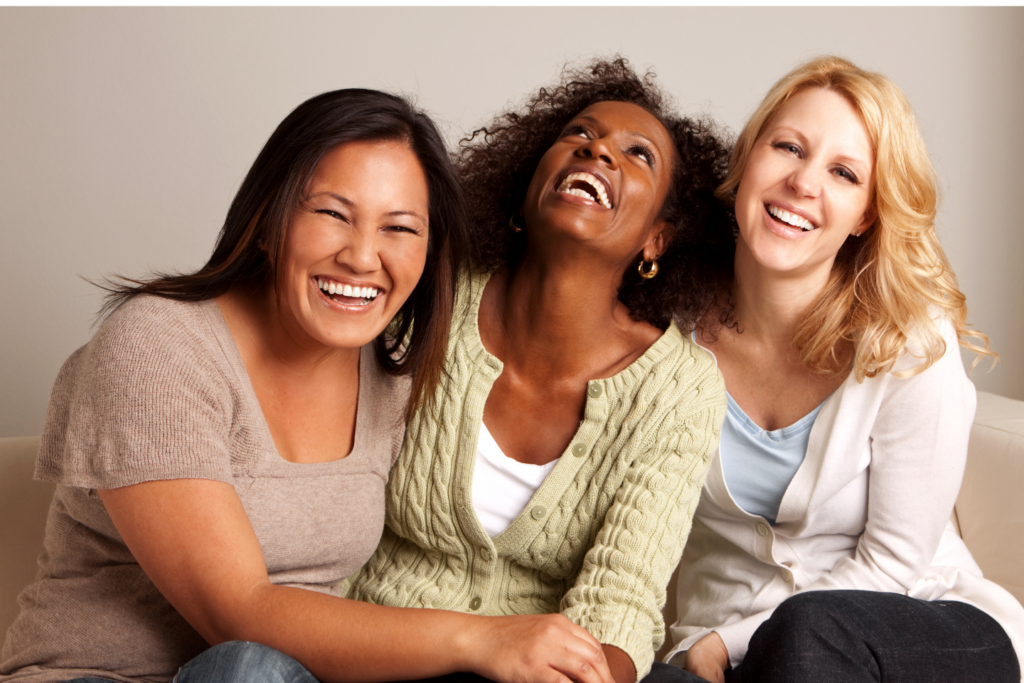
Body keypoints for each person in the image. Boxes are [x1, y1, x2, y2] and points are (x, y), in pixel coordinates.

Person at [0, 88, 479, 683]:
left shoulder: (394, 379)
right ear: (267, 221)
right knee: (248, 665)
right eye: (332, 214)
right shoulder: (158, 345)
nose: (362, 256)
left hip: (290, 677)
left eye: (400, 228)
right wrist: (475, 638)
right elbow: (240, 613)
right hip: (100, 676)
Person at [343, 59, 732, 683]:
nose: (599, 149)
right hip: (377, 646)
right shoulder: (428, 294)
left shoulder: (679, 389)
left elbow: (621, 599)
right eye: (580, 135)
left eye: (638, 155)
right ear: (526, 187)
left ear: (656, 240)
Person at [661, 56, 1024, 683]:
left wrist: (731, 639)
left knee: (807, 636)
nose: (804, 183)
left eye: (844, 172)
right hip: (731, 651)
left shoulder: (907, 339)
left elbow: (892, 564)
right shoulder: (667, 328)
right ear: (748, 160)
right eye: (788, 147)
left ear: (866, 215)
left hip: (922, 623)